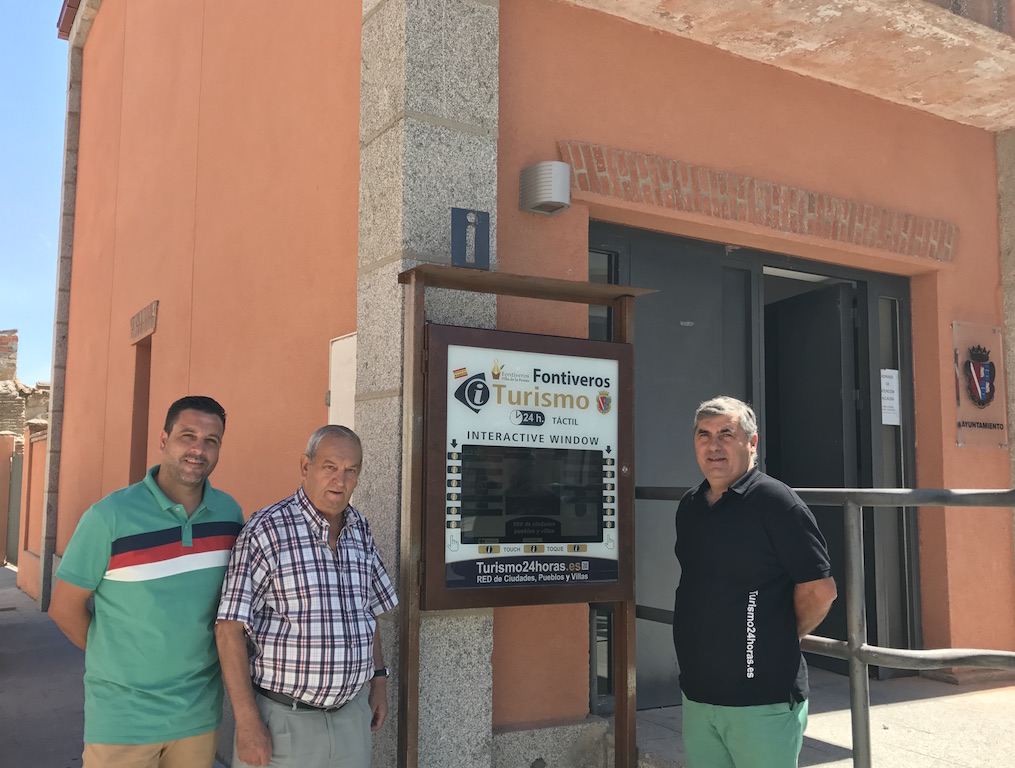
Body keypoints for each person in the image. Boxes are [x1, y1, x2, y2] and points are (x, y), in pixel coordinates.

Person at [49, 395, 244, 768]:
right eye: (187, 436)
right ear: (164, 439)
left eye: (211, 440)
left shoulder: (229, 515)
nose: (198, 449)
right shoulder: (109, 517)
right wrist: (117, 660)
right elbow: (64, 609)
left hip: (197, 715)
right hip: (123, 720)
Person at [216, 425, 398, 768]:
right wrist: (247, 722)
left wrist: (379, 681)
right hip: (284, 722)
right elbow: (228, 630)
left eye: (351, 470)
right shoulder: (266, 530)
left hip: (351, 718)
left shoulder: (359, 528)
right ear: (305, 466)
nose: (340, 480)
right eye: (330, 467)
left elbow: (369, 610)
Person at [672, 396, 837, 768]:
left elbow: (820, 589)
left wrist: (778, 635)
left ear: (752, 442)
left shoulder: (776, 503)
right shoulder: (691, 505)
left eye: (726, 434)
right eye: (704, 434)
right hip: (698, 695)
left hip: (761, 700)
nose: (714, 445)